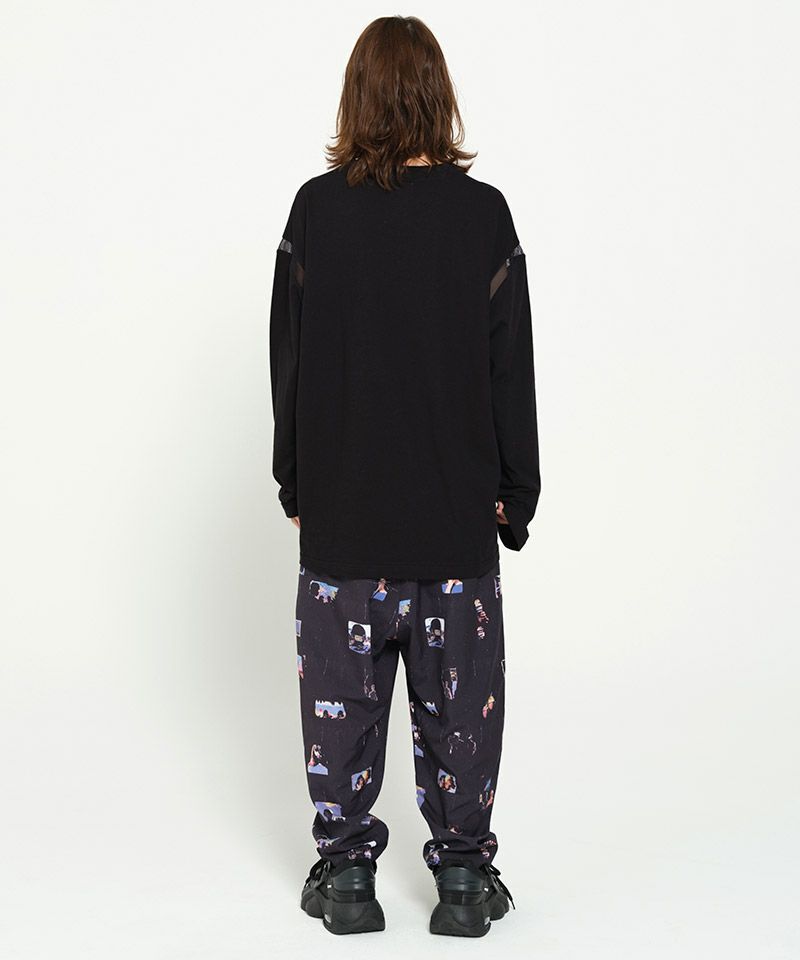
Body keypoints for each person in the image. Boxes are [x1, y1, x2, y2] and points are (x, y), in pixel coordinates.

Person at [269, 15, 540, 938]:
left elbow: (289, 363)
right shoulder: (483, 216)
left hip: (346, 524)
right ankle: (463, 881)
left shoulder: (316, 212)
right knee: (461, 710)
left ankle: (347, 879)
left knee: (340, 709)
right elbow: (510, 369)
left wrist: (296, 483)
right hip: (454, 523)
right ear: (437, 96)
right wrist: (517, 490)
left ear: (358, 97)